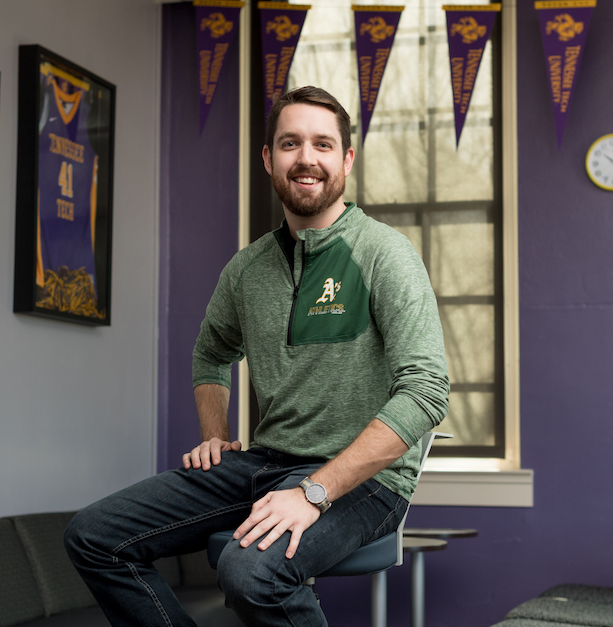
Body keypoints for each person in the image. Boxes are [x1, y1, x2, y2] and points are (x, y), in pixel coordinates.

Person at [64, 86, 450, 627]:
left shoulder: (385, 253)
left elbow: (426, 391)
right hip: (264, 463)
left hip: (366, 483)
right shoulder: (247, 270)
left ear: (346, 159)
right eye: (290, 144)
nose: (306, 158)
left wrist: (313, 492)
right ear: (269, 158)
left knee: (250, 572)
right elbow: (210, 352)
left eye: (322, 144)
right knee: (94, 536)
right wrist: (215, 434)